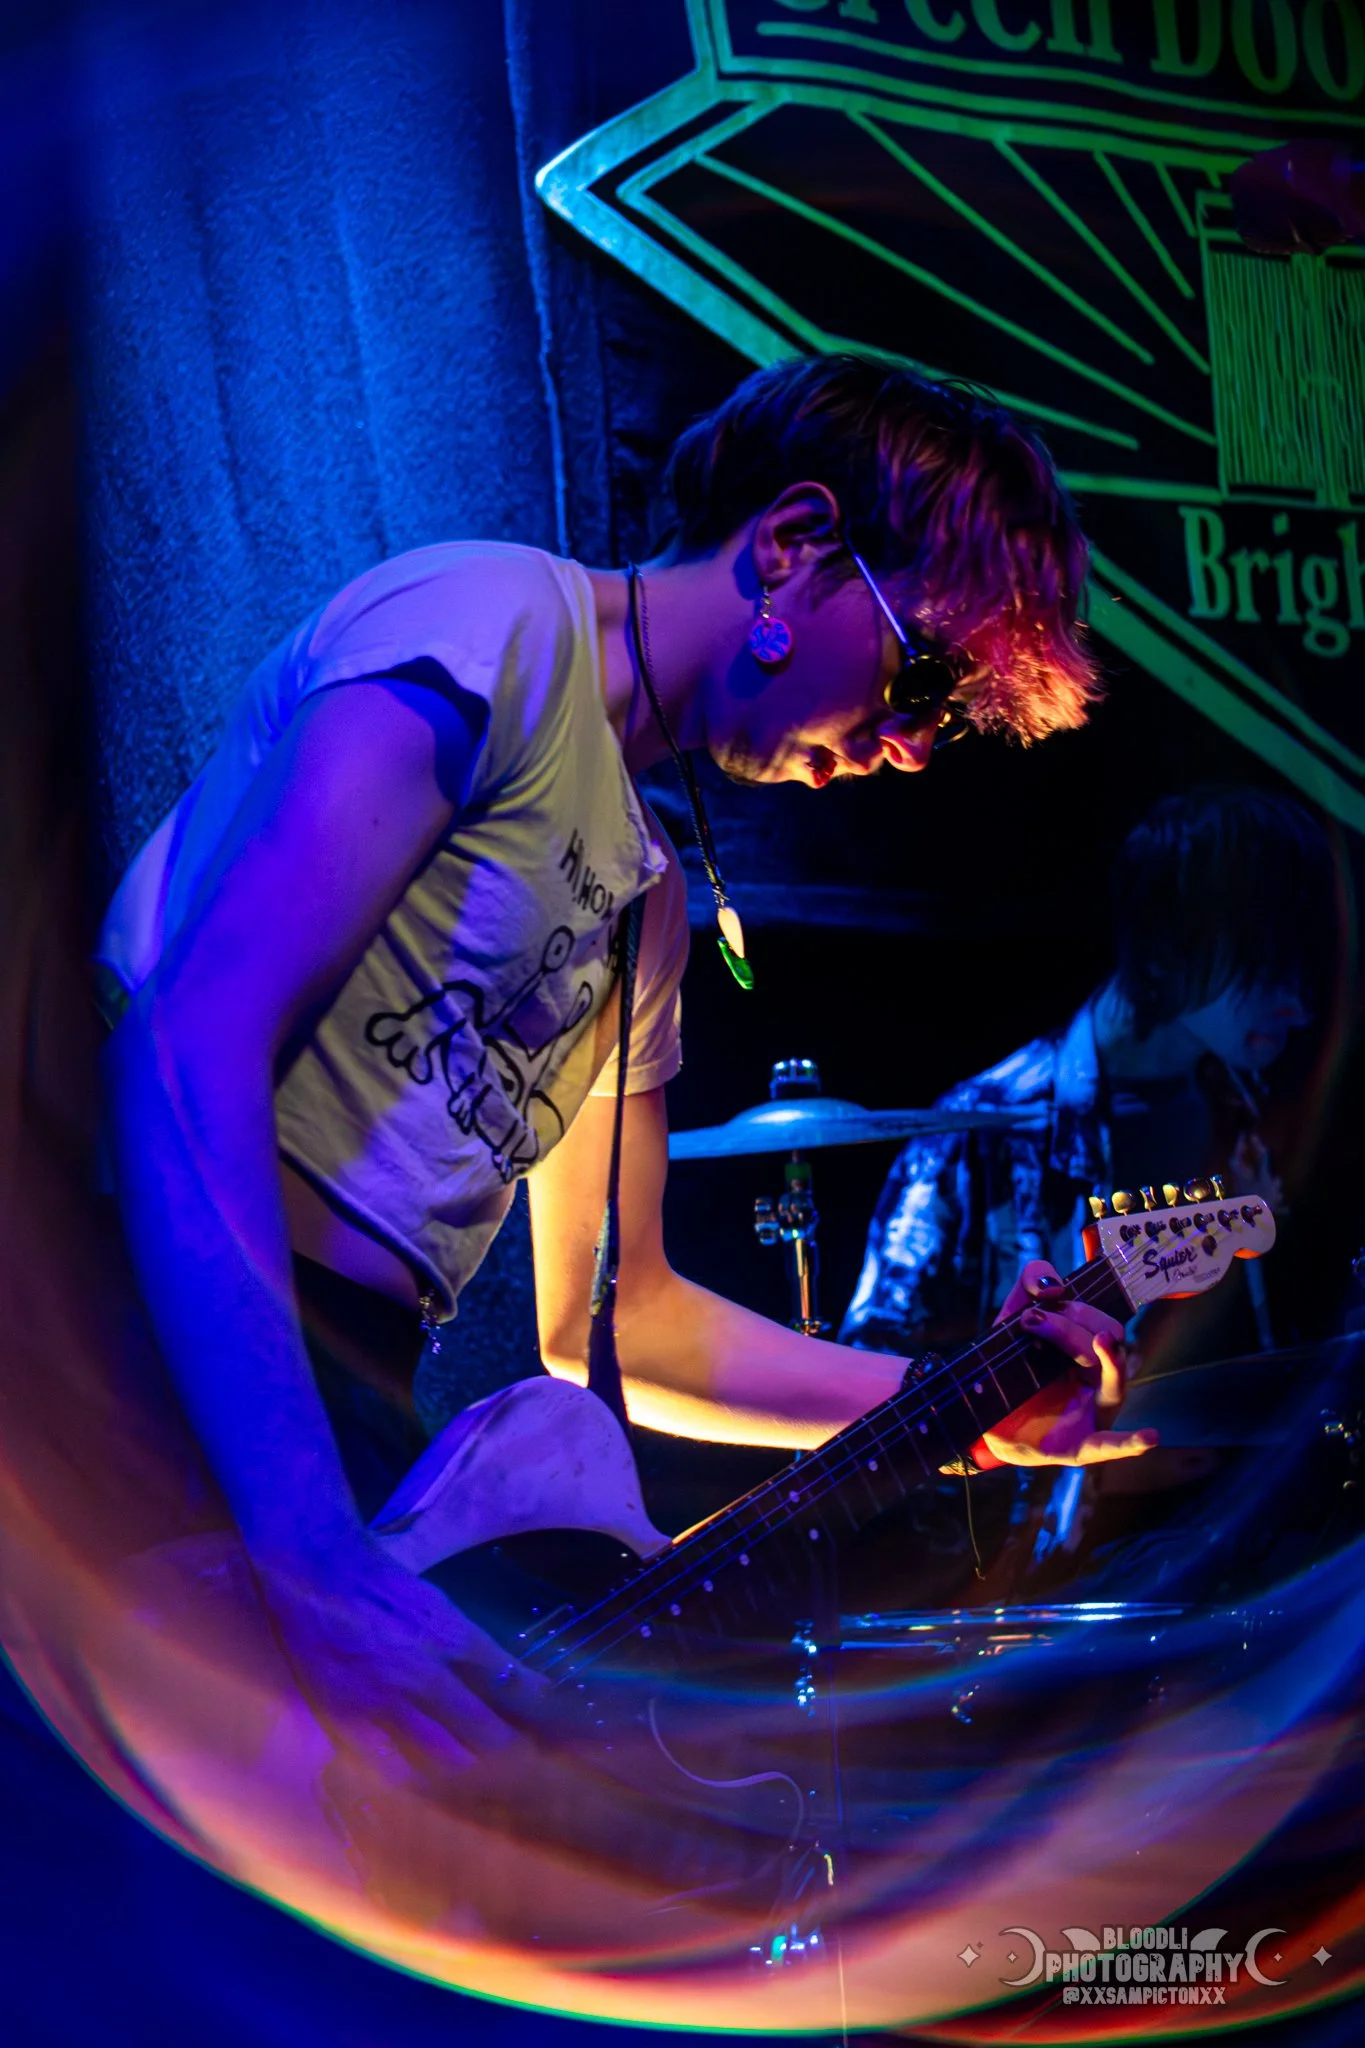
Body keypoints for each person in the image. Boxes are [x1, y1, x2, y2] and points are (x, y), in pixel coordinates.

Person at [95, 353, 1154, 1771]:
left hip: (329, 1403)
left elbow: (629, 1328)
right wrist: (309, 1555)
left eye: (950, 725)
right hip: (136, 1340)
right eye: (925, 673)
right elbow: (188, 1043)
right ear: (794, 548)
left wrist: (957, 1405)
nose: (913, 746)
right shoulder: (492, 624)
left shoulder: (644, 902)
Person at [841, 785, 1334, 1360]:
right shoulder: (984, 1128)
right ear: (1166, 948)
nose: (1299, 1006)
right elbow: (875, 1372)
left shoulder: (1254, 1111)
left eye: (1307, 967)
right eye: (1269, 963)